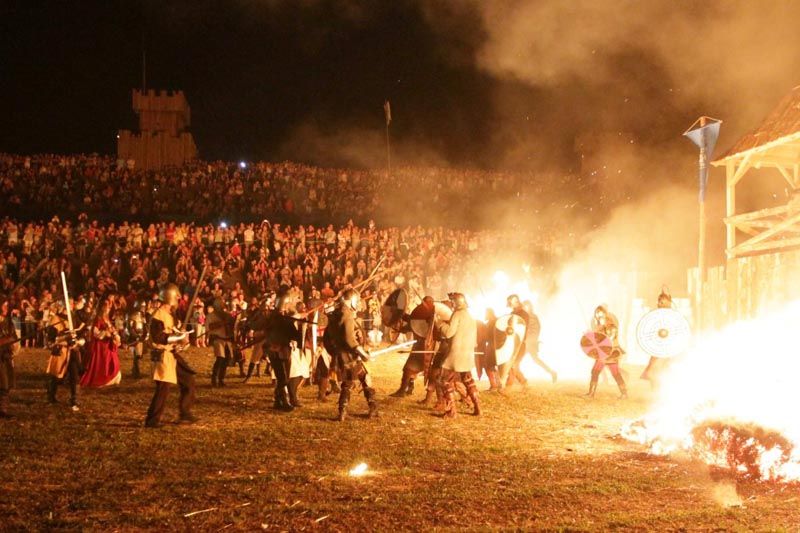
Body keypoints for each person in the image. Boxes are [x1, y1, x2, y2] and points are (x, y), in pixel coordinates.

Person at [144, 284, 197, 428]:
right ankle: (152, 420)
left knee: (188, 381)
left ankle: (184, 413)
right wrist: (177, 337)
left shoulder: (170, 315)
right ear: (171, 297)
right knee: (163, 389)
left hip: (171, 354)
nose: (179, 299)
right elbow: (159, 337)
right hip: (162, 355)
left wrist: (183, 338)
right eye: (177, 296)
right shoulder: (157, 315)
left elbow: (176, 331)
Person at [327, 288, 377, 421]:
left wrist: (335, 352)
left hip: (340, 355)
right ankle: (372, 408)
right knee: (364, 378)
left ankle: (342, 411)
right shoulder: (347, 315)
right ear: (352, 301)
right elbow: (350, 340)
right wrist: (364, 354)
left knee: (348, 382)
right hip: (350, 355)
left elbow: (328, 338)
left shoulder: (334, 314)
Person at [437, 292, 480, 418]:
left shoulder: (457, 314)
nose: (451, 303)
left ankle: (451, 412)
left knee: (445, 381)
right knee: (468, 381)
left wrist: (440, 323)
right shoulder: (470, 316)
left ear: (456, 302)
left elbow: (449, 333)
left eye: (452, 301)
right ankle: (478, 408)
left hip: (456, 354)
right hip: (467, 354)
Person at [390, 295, 435, 398]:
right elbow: (412, 321)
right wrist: (401, 315)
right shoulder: (422, 316)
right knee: (411, 369)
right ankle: (409, 389)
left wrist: (402, 318)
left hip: (425, 348)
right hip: (424, 347)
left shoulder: (434, 318)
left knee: (408, 369)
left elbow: (411, 323)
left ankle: (403, 391)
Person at [45, 303, 85, 410]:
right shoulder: (55, 319)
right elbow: (51, 340)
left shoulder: (74, 318)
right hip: (61, 351)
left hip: (73, 351)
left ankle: (74, 399)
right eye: (69, 303)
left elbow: (81, 333)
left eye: (72, 303)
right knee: (56, 375)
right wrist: (64, 338)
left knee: (74, 374)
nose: (71, 306)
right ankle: (51, 396)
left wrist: (79, 341)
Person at [586, 304, 627, 399]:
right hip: (605, 353)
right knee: (613, 373)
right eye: (597, 314)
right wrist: (589, 335)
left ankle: (591, 394)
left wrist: (595, 337)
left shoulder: (611, 327)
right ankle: (624, 393)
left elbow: (607, 341)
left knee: (601, 372)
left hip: (609, 353)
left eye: (600, 314)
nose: (598, 316)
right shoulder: (600, 327)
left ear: (605, 315)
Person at [79, 298, 122, 388]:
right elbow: (96, 333)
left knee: (114, 361)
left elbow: (111, 329)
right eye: (106, 305)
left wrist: (115, 335)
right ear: (102, 307)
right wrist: (106, 333)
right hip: (100, 345)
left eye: (109, 305)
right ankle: (101, 379)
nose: (108, 308)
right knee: (103, 362)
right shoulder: (98, 319)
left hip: (108, 344)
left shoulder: (107, 318)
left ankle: (112, 378)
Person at [640, 288, 674, 387]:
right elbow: (652, 328)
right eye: (659, 302)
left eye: (663, 302)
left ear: (668, 302)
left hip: (669, 347)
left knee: (665, 369)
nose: (660, 304)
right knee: (653, 369)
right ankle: (655, 389)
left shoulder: (672, 316)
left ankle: (664, 390)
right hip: (658, 346)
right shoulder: (656, 315)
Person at [206, 301, 235, 387]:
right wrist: (222, 323)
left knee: (226, 360)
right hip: (218, 339)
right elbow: (210, 327)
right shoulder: (210, 316)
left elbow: (232, 326)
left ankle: (221, 379)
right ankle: (214, 380)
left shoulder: (227, 315)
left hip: (227, 339)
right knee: (220, 359)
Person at [0, 297, 19, 418]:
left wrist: (13, 342)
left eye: (7, 306)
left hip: (6, 356)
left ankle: (3, 410)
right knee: (3, 383)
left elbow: (14, 336)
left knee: (6, 384)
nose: (6, 308)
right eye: (4, 305)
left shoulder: (8, 322)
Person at [128, 303, 148, 379]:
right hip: (135, 338)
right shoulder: (133, 316)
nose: (144, 308)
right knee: (136, 356)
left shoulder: (143, 316)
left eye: (144, 307)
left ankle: (136, 371)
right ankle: (136, 372)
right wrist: (136, 336)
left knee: (139, 355)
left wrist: (146, 334)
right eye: (142, 307)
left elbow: (145, 326)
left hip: (141, 338)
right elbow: (130, 328)